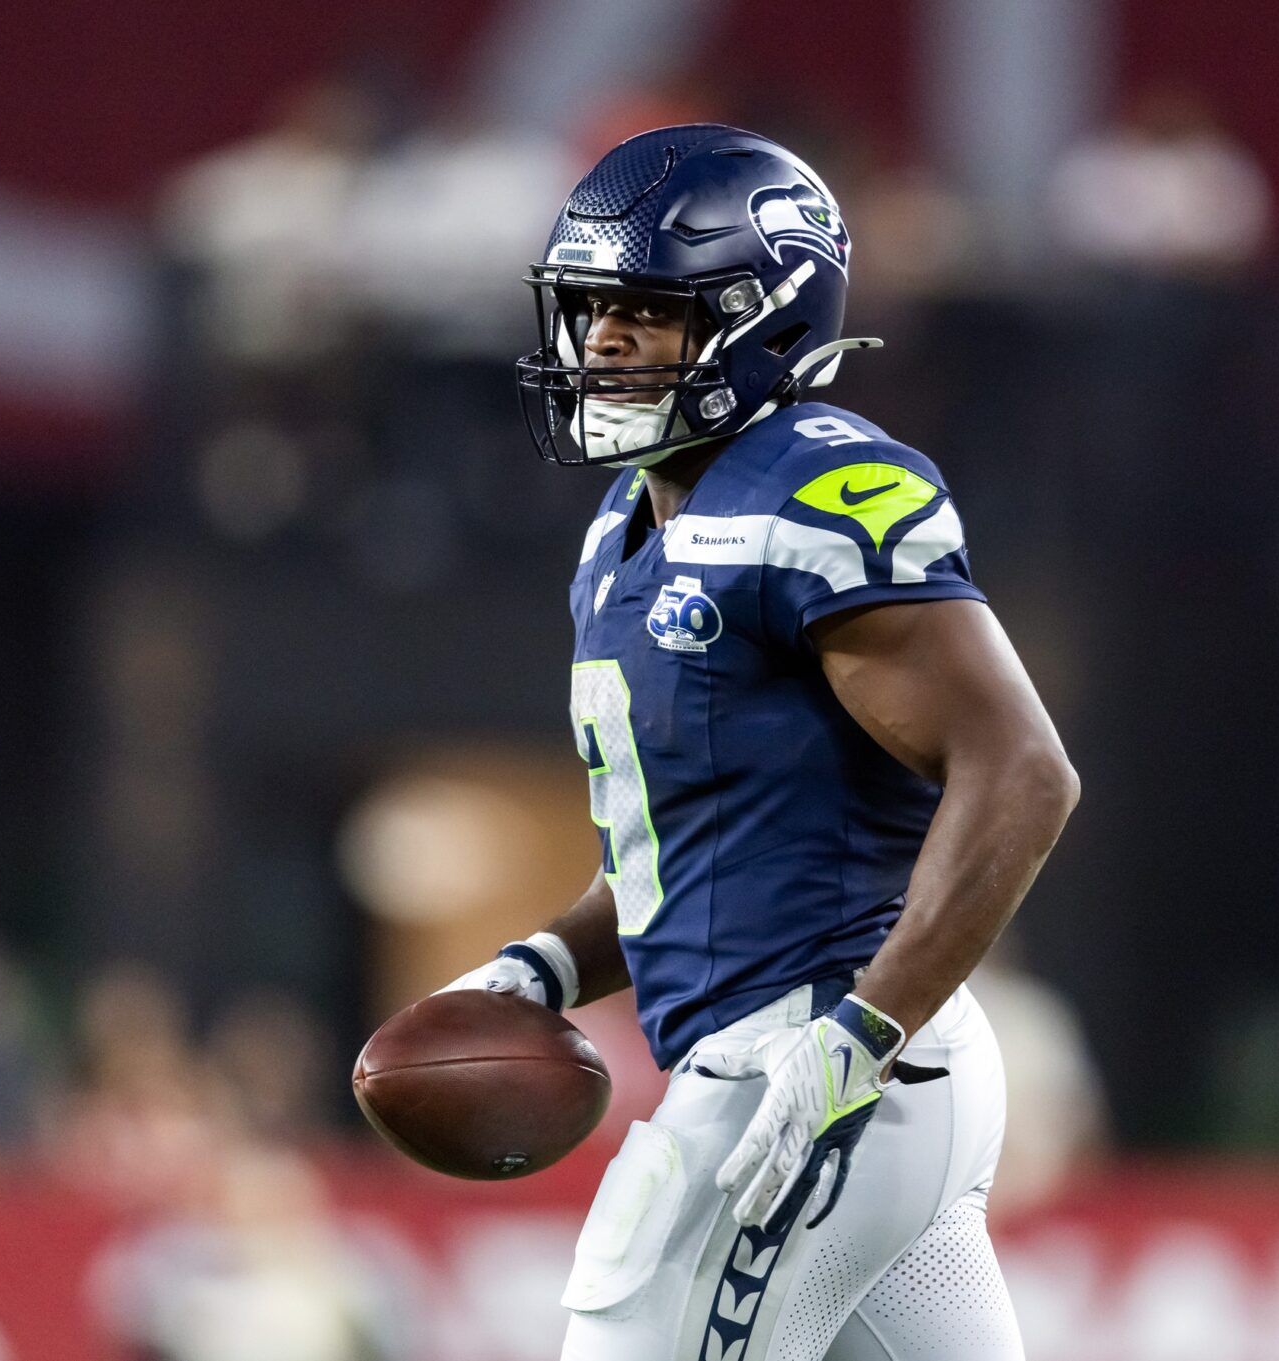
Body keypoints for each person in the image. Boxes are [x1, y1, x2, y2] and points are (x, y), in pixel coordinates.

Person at [444, 125, 1080, 1360]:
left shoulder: (809, 487)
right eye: (590, 310)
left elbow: (1022, 770)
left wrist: (859, 1036)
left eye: (648, 311)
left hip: (815, 1058)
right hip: (829, 1067)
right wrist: (542, 969)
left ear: (763, 318)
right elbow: (690, 860)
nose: (606, 342)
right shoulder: (621, 529)